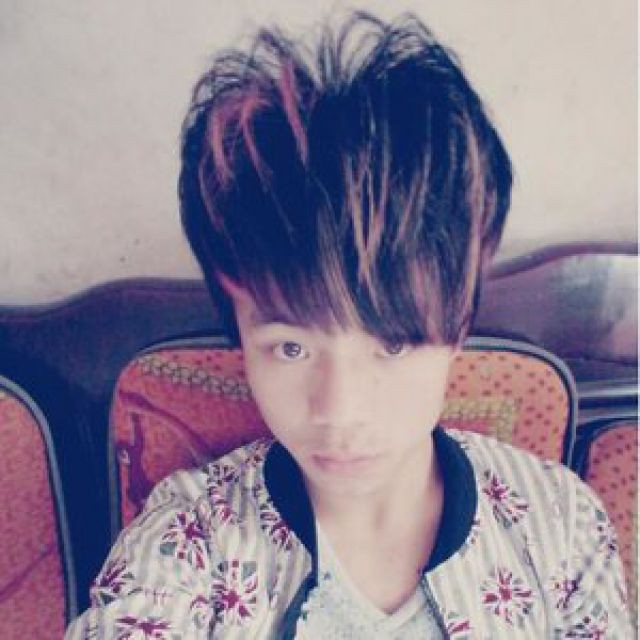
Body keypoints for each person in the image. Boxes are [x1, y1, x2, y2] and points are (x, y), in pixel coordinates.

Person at [66, 12, 631, 639]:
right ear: (240, 337)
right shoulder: (190, 537)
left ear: (458, 324)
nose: (338, 410)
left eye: (391, 343)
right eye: (290, 348)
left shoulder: (558, 526)